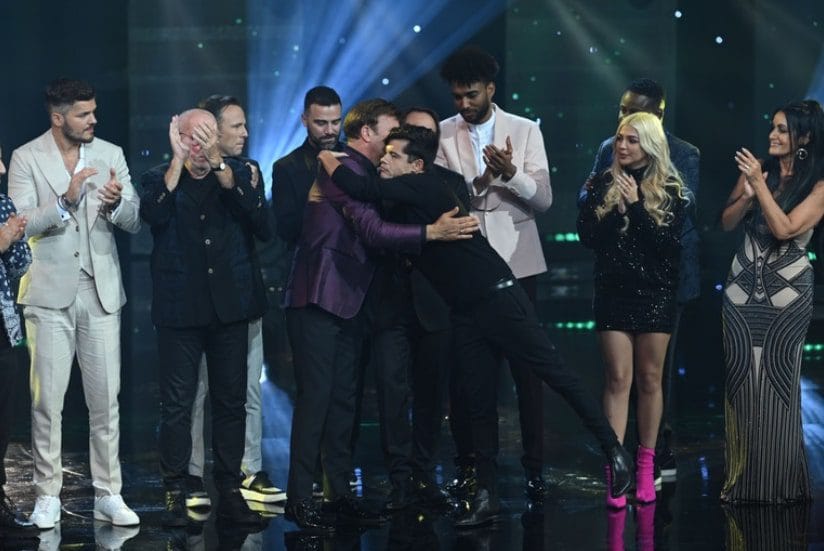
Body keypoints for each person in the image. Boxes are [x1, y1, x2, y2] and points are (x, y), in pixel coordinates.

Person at [318, 124, 632, 528]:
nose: (383, 159)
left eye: (393, 155)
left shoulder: (423, 186)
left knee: (554, 374)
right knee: (478, 402)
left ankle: (614, 451)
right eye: (385, 153)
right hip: (466, 310)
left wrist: (327, 158)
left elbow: (361, 191)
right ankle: (487, 496)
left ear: (415, 164)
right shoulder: (408, 196)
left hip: (500, 298)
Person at [282, 99, 477, 533]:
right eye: (390, 131)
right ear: (367, 133)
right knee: (316, 400)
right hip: (317, 298)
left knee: (343, 400)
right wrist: (433, 232)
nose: (395, 139)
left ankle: (338, 495)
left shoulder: (365, 174)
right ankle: (299, 499)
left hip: (350, 302)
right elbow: (372, 230)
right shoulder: (339, 168)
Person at [8, 78, 141, 529]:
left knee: (106, 400)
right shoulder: (27, 157)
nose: (93, 120)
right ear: (58, 117)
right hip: (47, 292)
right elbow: (21, 223)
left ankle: (109, 491)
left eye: (94, 112)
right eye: (84, 114)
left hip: (100, 289)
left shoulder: (111, 154)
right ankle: (47, 493)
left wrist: (116, 204)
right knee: (48, 401)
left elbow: (134, 219)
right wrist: (65, 201)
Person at [139, 108, 269, 527]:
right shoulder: (159, 177)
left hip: (230, 308)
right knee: (177, 404)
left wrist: (218, 165)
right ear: (176, 138)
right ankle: (177, 488)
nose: (200, 146)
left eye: (207, 137)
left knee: (231, 402)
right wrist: (177, 162)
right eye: (191, 138)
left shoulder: (242, 171)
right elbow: (153, 215)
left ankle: (230, 488)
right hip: (180, 311)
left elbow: (261, 222)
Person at [436, 46, 550, 502]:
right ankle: (474, 470)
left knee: (529, 373)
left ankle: (535, 468)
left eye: (471, 95)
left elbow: (542, 200)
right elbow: (447, 197)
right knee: (470, 378)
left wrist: (512, 174)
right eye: (457, 97)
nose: (463, 104)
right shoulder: (443, 135)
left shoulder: (525, 130)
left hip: (518, 265)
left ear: (490, 89)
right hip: (466, 269)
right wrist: (486, 179)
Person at [580, 78, 700, 480]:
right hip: (614, 285)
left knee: (652, 377)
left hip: (660, 285)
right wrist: (609, 205)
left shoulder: (679, 169)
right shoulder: (605, 164)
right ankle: (616, 463)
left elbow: (674, 237)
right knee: (618, 378)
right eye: (619, 134)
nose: (621, 142)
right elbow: (588, 230)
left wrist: (637, 208)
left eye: (632, 134)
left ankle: (651, 457)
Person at [719, 99, 824, 503]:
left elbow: (786, 229)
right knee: (742, 386)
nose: (773, 136)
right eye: (773, 128)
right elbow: (727, 222)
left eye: (782, 129)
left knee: (778, 387)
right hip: (740, 293)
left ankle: (779, 487)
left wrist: (760, 187)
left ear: (805, 137)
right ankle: (742, 484)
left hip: (788, 296)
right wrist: (746, 194)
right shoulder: (758, 171)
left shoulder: (817, 183)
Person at [187, 95, 282, 510]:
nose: (245, 133)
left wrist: (228, 171)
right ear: (212, 130)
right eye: (236, 126)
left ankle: (250, 469)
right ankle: (192, 477)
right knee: (197, 392)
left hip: (243, 299)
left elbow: (263, 227)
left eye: (245, 126)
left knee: (247, 390)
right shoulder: (186, 174)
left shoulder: (248, 171)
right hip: (196, 304)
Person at [0, 147, 37, 542]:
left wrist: (10, 239)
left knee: (4, 416)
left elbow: (21, 260)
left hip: (3, 325)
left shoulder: (2, 202)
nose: (3, 169)